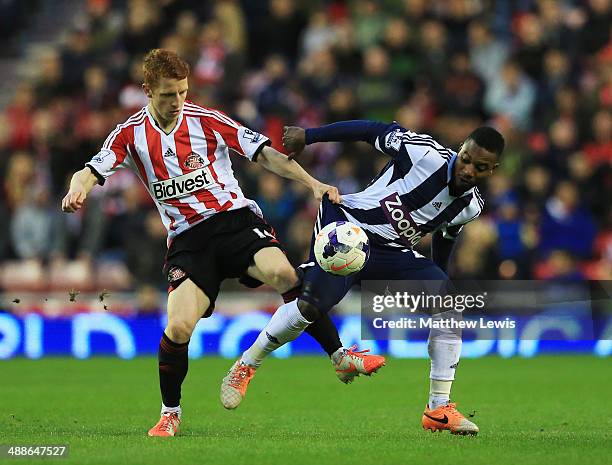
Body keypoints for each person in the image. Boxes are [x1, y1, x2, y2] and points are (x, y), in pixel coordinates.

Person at [61, 48, 347, 437]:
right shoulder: (130, 135)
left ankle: (339, 355)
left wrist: (313, 184)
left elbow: (265, 155)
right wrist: (77, 190)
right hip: (188, 240)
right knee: (178, 327)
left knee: (283, 272)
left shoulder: (207, 120)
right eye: (167, 94)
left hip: (234, 222)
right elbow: (90, 169)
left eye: (182, 92)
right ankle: (170, 413)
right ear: (147, 91)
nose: (177, 101)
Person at [220, 119, 505, 436]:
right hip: (348, 224)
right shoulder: (423, 153)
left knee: (449, 309)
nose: (467, 169)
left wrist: (439, 280)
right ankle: (246, 365)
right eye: (465, 158)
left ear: (491, 170)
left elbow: (446, 238)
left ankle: (438, 408)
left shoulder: (471, 206)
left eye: (479, 167)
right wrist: (309, 136)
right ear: (461, 147)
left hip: (391, 251)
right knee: (310, 308)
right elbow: (371, 131)